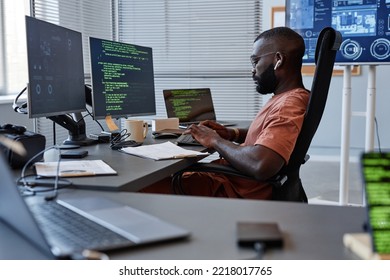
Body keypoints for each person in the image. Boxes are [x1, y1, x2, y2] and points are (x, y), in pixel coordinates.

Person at [140, 27, 309, 199]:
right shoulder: (286, 98)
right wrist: (230, 134)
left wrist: (214, 140)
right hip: (231, 180)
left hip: (231, 189)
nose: (253, 70)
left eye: (255, 62)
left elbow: (261, 164)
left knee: (139, 188)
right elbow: (265, 137)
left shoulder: (287, 105)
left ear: (278, 59)